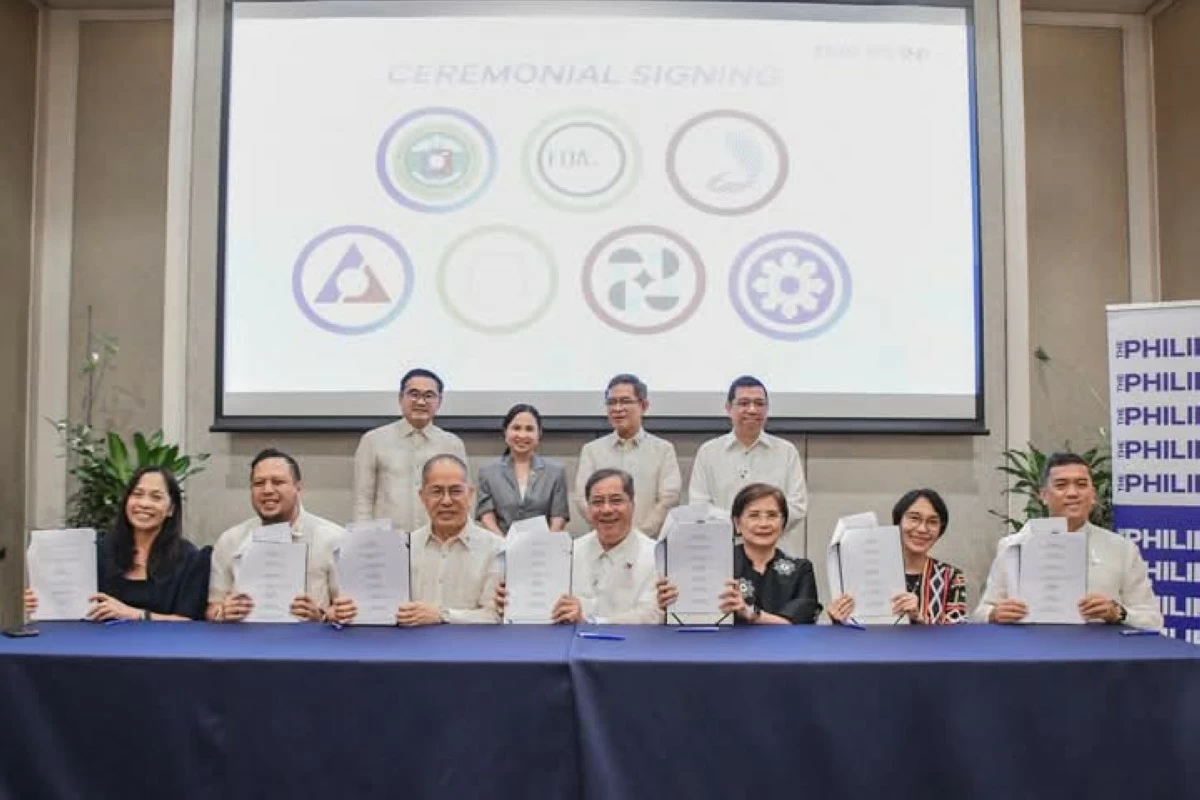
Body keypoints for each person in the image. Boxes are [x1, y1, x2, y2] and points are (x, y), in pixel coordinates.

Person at [973, 452, 1163, 630]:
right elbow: (980, 614)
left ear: (1093, 494)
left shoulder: (1122, 549)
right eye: (1061, 485)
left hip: (1099, 649)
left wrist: (1117, 613)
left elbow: (1153, 620)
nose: (1072, 493)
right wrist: (994, 614)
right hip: (1029, 647)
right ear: (1043, 496)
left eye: (1081, 484)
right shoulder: (1012, 546)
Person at [332, 454, 503, 625]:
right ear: (422, 497)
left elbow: (494, 616)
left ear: (470, 494)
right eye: (436, 492)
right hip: (409, 641)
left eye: (455, 491)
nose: (446, 501)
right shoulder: (401, 547)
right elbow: (383, 610)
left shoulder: (496, 549)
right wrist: (348, 612)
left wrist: (441, 615)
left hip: (470, 642)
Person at [23, 467, 209, 622]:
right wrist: (44, 601)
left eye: (156, 497)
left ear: (171, 509)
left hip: (163, 650)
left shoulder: (190, 558)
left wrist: (136, 615)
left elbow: (189, 621)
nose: (144, 503)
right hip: (99, 648)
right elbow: (74, 606)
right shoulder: (95, 550)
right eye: (137, 494)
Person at [497, 468, 659, 624]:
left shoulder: (654, 556)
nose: (606, 509)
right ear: (588, 508)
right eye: (597, 502)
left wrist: (591, 622)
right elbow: (546, 604)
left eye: (616, 501)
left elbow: (651, 615)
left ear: (632, 504)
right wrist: (515, 599)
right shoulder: (568, 551)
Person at [207, 449, 345, 623]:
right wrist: (223, 613)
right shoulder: (230, 540)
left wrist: (321, 616)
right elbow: (213, 608)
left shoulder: (334, 538)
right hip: (243, 638)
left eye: (278, 482)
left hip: (310, 637)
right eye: (259, 483)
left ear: (298, 487)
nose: (267, 490)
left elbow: (347, 609)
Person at [657, 483, 820, 624]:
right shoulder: (711, 565)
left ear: (783, 523)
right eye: (754, 515)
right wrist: (674, 604)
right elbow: (693, 617)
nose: (764, 524)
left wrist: (751, 614)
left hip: (783, 649)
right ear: (737, 523)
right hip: (723, 648)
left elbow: (803, 621)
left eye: (772, 515)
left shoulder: (801, 569)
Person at [688, 376, 807, 554]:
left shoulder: (787, 451)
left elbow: (797, 506)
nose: (752, 410)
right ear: (728, 408)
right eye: (744, 403)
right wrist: (741, 526)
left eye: (759, 404)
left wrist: (762, 527)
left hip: (776, 552)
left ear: (767, 409)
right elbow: (699, 506)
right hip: (724, 552)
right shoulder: (708, 452)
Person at [827, 488, 966, 626]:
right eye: (914, 518)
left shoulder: (950, 576)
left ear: (941, 529)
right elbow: (856, 627)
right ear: (898, 521)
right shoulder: (869, 571)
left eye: (932, 521)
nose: (922, 529)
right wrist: (839, 620)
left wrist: (920, 619)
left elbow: (958, 634)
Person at [353, 368, 467, 532]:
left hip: (437, 537)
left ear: (440, 401)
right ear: (401, 398)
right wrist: (364, 539)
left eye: (429, 395)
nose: (421, 402)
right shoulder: (373, 440)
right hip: (387, 538)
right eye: (414, 394)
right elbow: (363, 499)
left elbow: (462, 499)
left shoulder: (452, 444)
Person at [574, 374, 681, 537]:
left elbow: (669, 499)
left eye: (625, 401)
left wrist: (639, 536)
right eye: (612, 402)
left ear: (643, 406)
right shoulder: (592, 450)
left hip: (649, 543)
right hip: (604, 541)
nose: (617, 409)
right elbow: (582, 498)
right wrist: (609, 531)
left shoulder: (663, 450)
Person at [476, 403, 569, 535]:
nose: (522, 435)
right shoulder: (488, 471)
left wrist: (546, 543)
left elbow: (559, 517)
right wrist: (504, 543)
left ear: (539, 433)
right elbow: (486, 515)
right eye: (516, 428)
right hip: (499, 543)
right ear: (505, 431)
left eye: (529, 429)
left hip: (543, 544)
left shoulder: (556, 472)